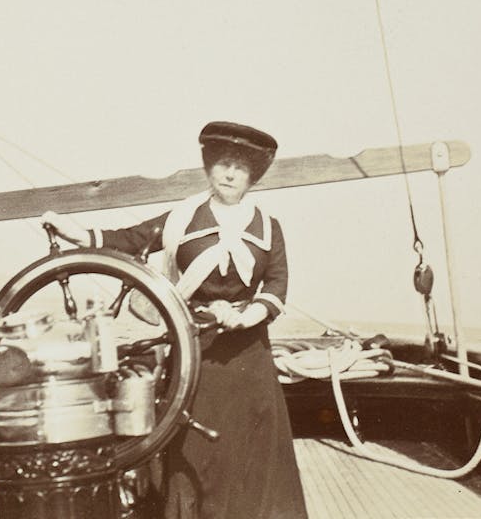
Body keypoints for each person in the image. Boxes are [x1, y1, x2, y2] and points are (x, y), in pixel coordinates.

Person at [43, 121, 308, 519]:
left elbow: (275, 287)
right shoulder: (182, 218)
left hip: (248, 357)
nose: (230, 173)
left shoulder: (269, 228)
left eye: (239, 166)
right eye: (222, 164)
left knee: (249, 450)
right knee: (193, 450)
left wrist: (243, 317)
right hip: (194, 351)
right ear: (209, 168)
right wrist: (78, 233)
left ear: (252, 174)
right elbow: (129, 240)